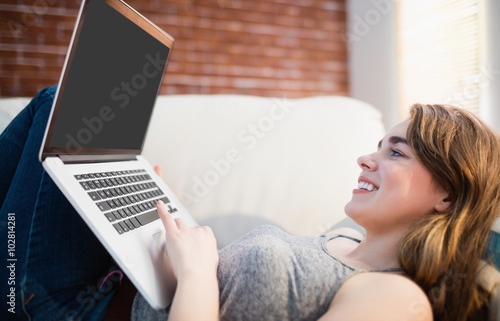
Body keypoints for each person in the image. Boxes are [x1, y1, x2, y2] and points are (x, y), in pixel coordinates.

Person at [0, 86, 499, 321]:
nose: (366, 160)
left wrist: (196, 276)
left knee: (56, 109)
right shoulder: (343, 240)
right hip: (117, 279)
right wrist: (168, 233)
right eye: (378, 144)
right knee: (68, 116)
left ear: (448, 195)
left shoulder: (398, 300)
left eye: (395, 152)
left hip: (75, 310)